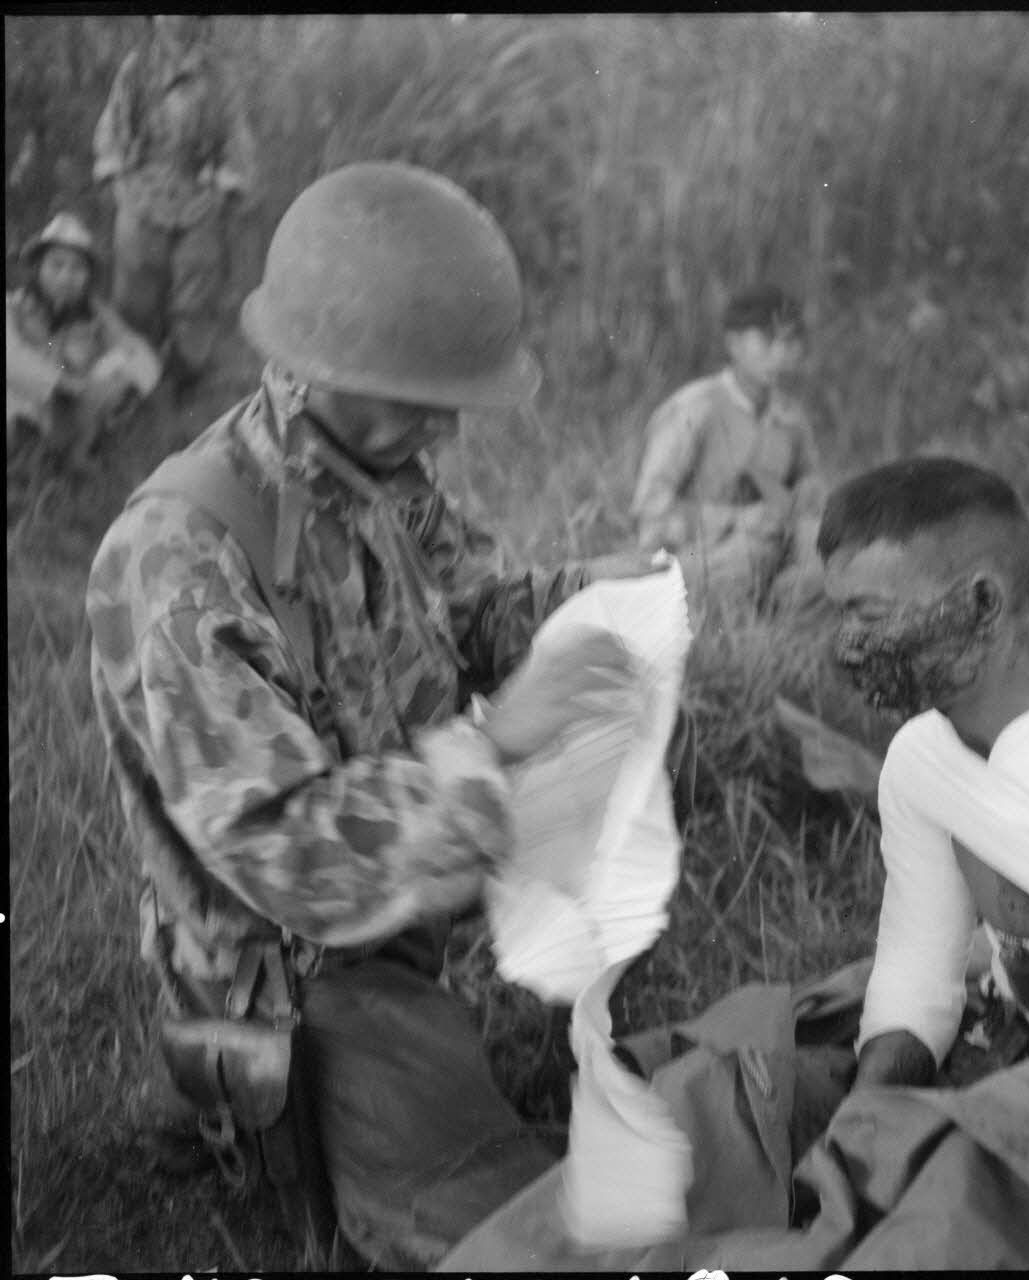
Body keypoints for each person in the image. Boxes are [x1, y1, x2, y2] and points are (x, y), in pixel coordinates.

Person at [441, 455, 1029, 1271]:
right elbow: (918, 974)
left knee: (957, 1201)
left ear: (981, 601)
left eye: (870, 616)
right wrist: (866, 1116)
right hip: (1023, 1045)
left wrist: (950, 1125)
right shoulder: (918, 760)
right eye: (838, 614)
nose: (845, 646)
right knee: (717, 1105)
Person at [85, 161, 641, 1269]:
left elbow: (474, 602)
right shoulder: (186, 555)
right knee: (528, 1240)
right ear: (314, 363)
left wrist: (608, 601)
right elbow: (286, 852)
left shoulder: (374, 470)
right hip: (295, 987)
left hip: (405, 917)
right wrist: (492, 741)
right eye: (422, 396)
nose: (446, 427)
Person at [629, 283, 825, 607]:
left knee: (829, 558)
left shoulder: (791, 419)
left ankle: (774, 627)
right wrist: (738, 520)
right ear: (733, 343)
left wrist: (807, 494)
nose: (780, 355)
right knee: (751, 554)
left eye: (789, 342)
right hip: (694, 555)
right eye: (768, 340)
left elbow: (811, 485)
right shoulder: (694, 408)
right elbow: (649, 514)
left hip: (770, 548)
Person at [92, 15, 257, 392]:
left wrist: (227, 181)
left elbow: (236, 132)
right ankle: (134, 375)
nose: (178, 20)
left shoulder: (218, 75)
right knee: (135, 284)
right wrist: (116, 174)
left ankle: (186, 373)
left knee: (197, 284)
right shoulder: (137, 68)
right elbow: (112, 126)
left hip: (199, 191)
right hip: (143, 187)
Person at [7, 212, 161, 466]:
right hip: (27, 405)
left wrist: (124, 387)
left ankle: (77, 450)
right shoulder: (12, 307)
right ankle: (38, 451)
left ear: (88, 277)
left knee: (121, 362)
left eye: (77, 268)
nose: (67, 277)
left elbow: (139, 352)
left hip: (75, 412)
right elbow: (11, 358)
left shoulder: (96, 314)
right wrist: (64, 384)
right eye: (56, 265)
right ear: (38, 268)